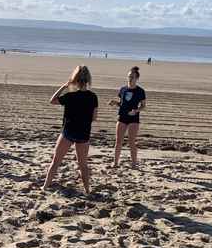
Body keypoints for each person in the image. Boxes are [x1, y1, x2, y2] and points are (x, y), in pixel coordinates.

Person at [43, 66, 98, 194]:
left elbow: (52, 101)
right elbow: (94, 117)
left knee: (56, 161)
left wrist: (64, 86)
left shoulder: (70, 96)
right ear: (88, 80)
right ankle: (87, 190)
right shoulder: (93, 97)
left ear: (75, 80)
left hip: (68, 132)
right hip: (83, 133)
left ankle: (45, 186)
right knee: (83, 165)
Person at [110, 65, 146, 168]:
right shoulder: (123, 89)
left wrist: (136, 110)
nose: (130, 79)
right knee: (118, 141)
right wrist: (114, 103)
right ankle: (115, 163)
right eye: (129, 76)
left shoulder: (140, 91)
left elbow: (143, 106)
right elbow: (121, 103)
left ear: (137, 78)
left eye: (132, 77)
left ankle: (134, 163)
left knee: (131, 142)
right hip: (122, 117)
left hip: (134, 118)